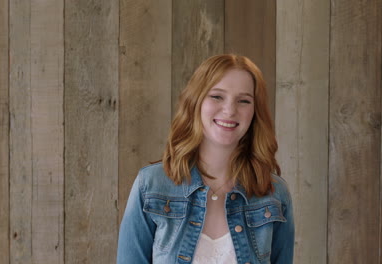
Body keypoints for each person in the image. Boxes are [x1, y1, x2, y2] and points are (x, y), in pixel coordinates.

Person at [117, 54, 294, 264]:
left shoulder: (274, 194)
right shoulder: (151, 185)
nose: (229, 110)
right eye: (217, 96)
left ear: (255, 111)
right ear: (196, 102)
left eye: (244, 100)